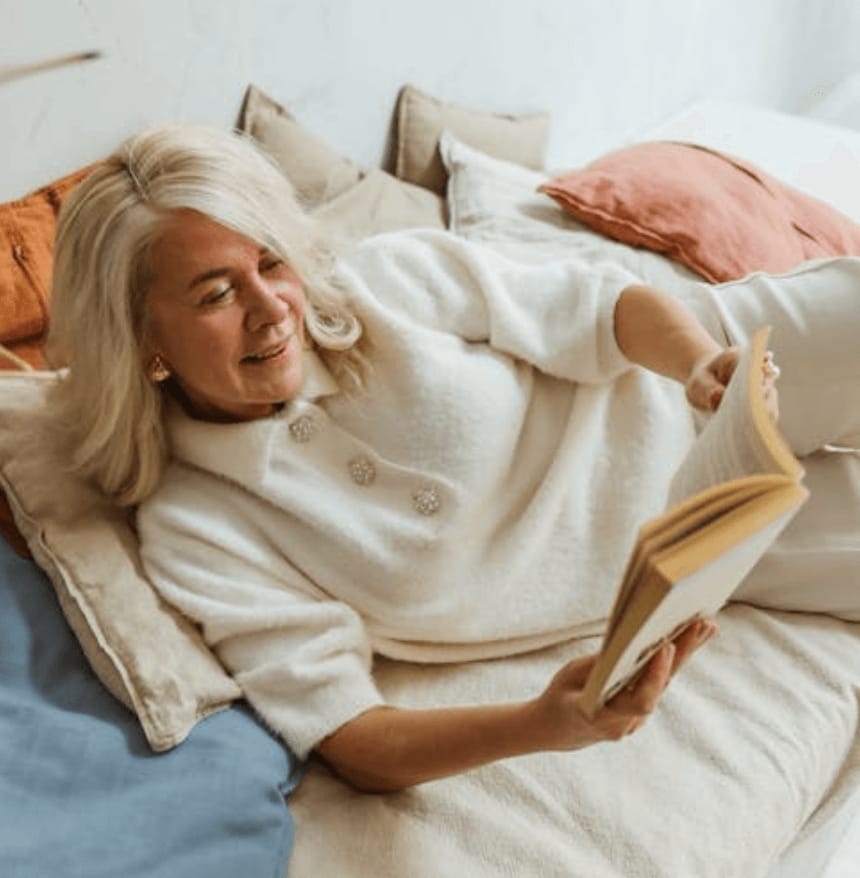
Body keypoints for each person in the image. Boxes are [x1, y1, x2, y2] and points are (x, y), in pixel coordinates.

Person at [47, 126, 859, 793]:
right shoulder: (199, 529)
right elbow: (353, 736)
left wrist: (699, 365)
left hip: (710, 370)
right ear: (140, 336)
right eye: (216, 294)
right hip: (712, 541)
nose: (271, 312)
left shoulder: (387, 280)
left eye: (271, 264)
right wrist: (544, 725)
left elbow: (600, 307)